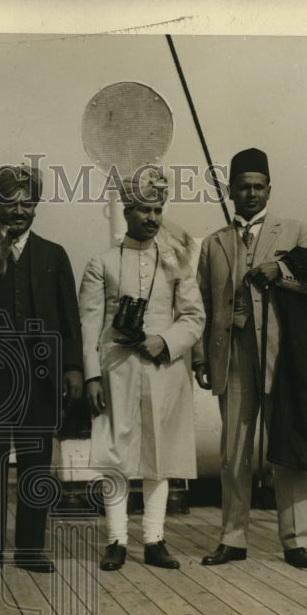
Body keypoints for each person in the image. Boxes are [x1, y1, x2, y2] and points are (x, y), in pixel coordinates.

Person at [192, 148, 307, 569]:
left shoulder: (295, 231)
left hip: (282, 357)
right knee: (234, 451)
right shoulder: (214, 243)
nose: (251, 193)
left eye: (258, 187)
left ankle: (296, 541)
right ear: (231, 191)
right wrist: (200, 358)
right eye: (243, 187)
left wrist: (281, 272)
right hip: (232, 357)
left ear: (269, 189)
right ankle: (233, 538)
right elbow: (199, 305)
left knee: (288, 446)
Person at [0, 164, 84, 576]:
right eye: (10, 203)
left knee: (35, 463)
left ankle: (30, 550)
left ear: (36, 207)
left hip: (40, 379)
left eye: (27, 203)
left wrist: (73, 368)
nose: (19, 211)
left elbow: (69, 318)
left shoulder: (54, 256)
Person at [78, 167, 205, 571]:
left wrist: (163, 341)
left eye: (158, 210)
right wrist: (92, 376)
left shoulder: (177, 262)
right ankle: (116, 540)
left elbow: (194, 317)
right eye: (144, 210)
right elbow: (89, 324)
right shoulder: (102, 262)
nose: (152, 218)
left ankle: (154, 539)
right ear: (128, 212)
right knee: (116, 456)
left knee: (159, 454)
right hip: (116, 370)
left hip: (164, 370)